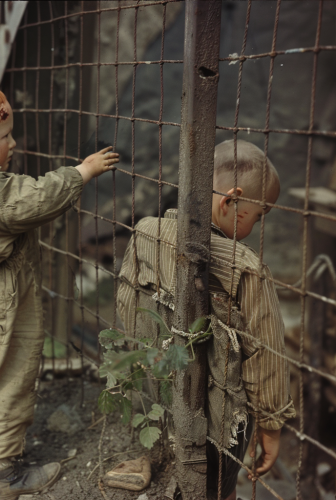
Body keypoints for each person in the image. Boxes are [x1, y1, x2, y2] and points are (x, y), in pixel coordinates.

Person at [0, 74, 119, 500]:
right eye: (5, 136)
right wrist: (82, 171)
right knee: (6, 378)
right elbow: (40, 196)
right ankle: (7, 475)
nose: (13, 144)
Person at [117, 139, 295, 500]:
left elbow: (126, 304)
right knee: (218, 488)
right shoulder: (244, 267)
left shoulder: (145, 233)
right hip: (220, 414)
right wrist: (272, 426)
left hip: (162, 392)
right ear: (231, 200)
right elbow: (266, 353)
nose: (255, 227)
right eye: (258, 216)